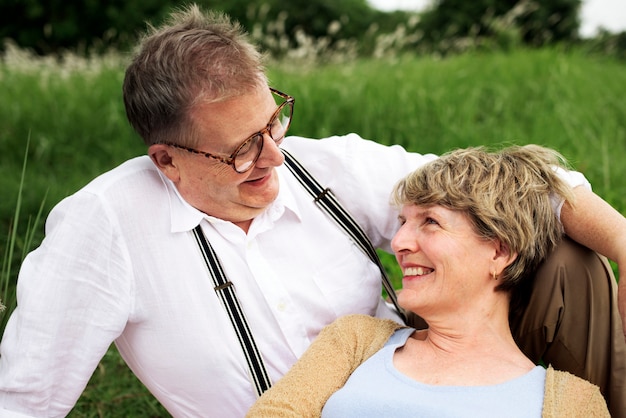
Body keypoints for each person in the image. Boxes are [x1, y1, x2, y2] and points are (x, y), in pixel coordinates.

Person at [0, 4, 624, 417]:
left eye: (273, 122)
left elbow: (508, 190)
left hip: (424, 383)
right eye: (242, 149)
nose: (274, 155)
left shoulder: (321, 164)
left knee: (574, 262)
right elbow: (24, 397)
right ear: (167, 160)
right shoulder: (103, 226)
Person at [246, 145, 611, 417]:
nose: (399, 243)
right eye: (403, 222)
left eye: (430, 222)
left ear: (499, 252)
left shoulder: (572, 402)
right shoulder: (356, 342)